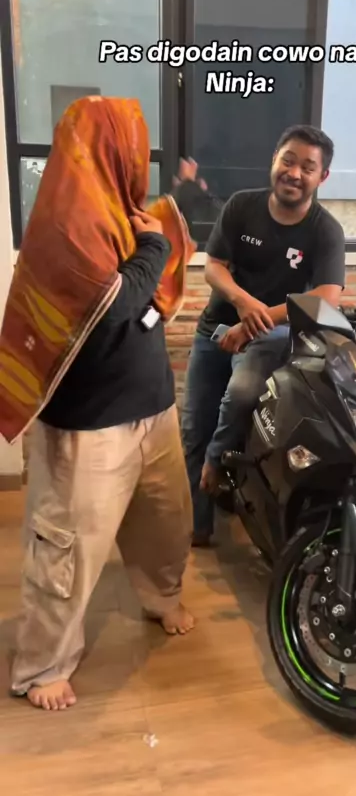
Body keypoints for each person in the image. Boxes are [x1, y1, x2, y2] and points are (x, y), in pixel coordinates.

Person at [4, 97, 198, 712]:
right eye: (132, 144)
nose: (138, 156)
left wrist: (171, 212)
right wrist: (155, 248)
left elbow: (147, 257)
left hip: (153, 406)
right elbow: (113, 304)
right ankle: (43, 666)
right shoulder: (65, 226)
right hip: (87, 425)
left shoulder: (121, 211)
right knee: (66, 550)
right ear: (108, 151)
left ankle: (161, 597)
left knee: (166, 523)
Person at [181, 125, 346, 547]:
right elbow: (213, 265)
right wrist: (242, 302)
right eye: (288, 160)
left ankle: (218, 466)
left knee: (240, 396)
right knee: (195, 425)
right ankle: (198, 524)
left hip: (273, 335)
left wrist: (257, 319)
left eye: (307, 167)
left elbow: (327, 297)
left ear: (322, 177)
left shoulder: (325, 230)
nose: (295, 173)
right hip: (214, 330)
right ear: (274, 160)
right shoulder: (242, 206)